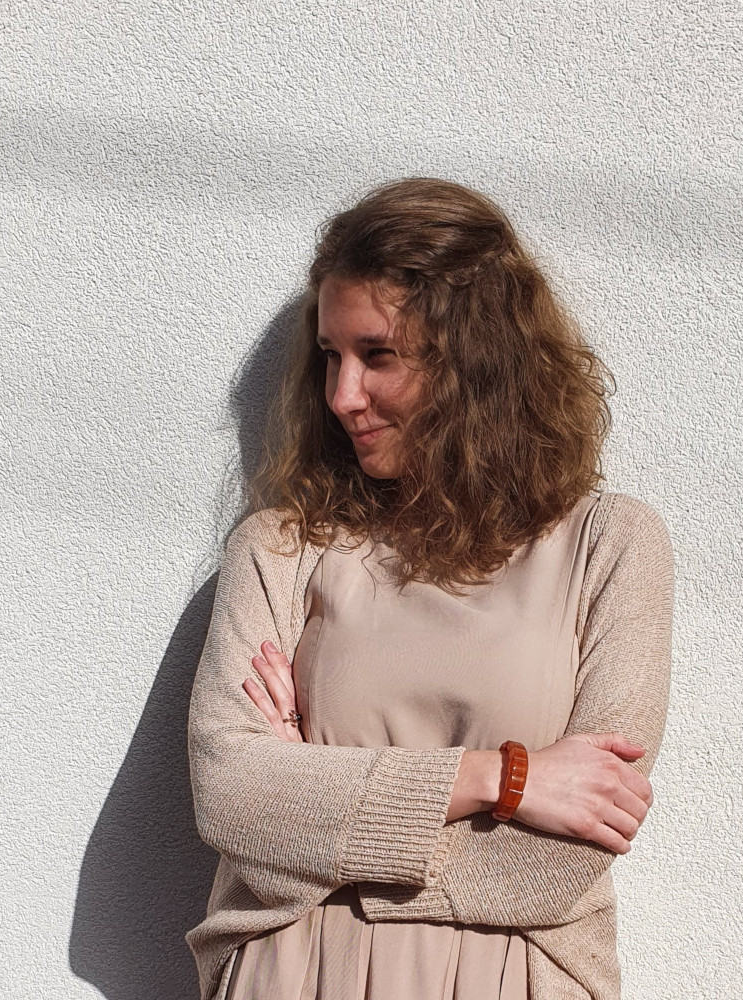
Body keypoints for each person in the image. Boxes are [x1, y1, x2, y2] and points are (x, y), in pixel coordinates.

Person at [186, 177, 674, 1000]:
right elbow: (232, 795)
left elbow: (567, 855)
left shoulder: (611, 546)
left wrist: (317, 818)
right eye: (331, 356)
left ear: (474, 360)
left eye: (377, 355)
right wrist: (505, 780)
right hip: (295, 976)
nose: (342, 395)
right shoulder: (282, 549)